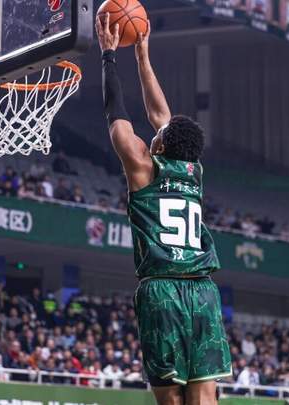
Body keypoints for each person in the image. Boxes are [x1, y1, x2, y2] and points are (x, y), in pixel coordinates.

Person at [96, 15, 232, 405]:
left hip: (162, 289)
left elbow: (116, 115)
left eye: (159, 135)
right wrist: (143, 56)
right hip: (203, 291)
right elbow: (163, 118)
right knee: (205, 398)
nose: (157, 130)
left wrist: (109, 55)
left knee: (171, 399)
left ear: (160, 145)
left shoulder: (142, 168)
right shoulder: (194, 171)